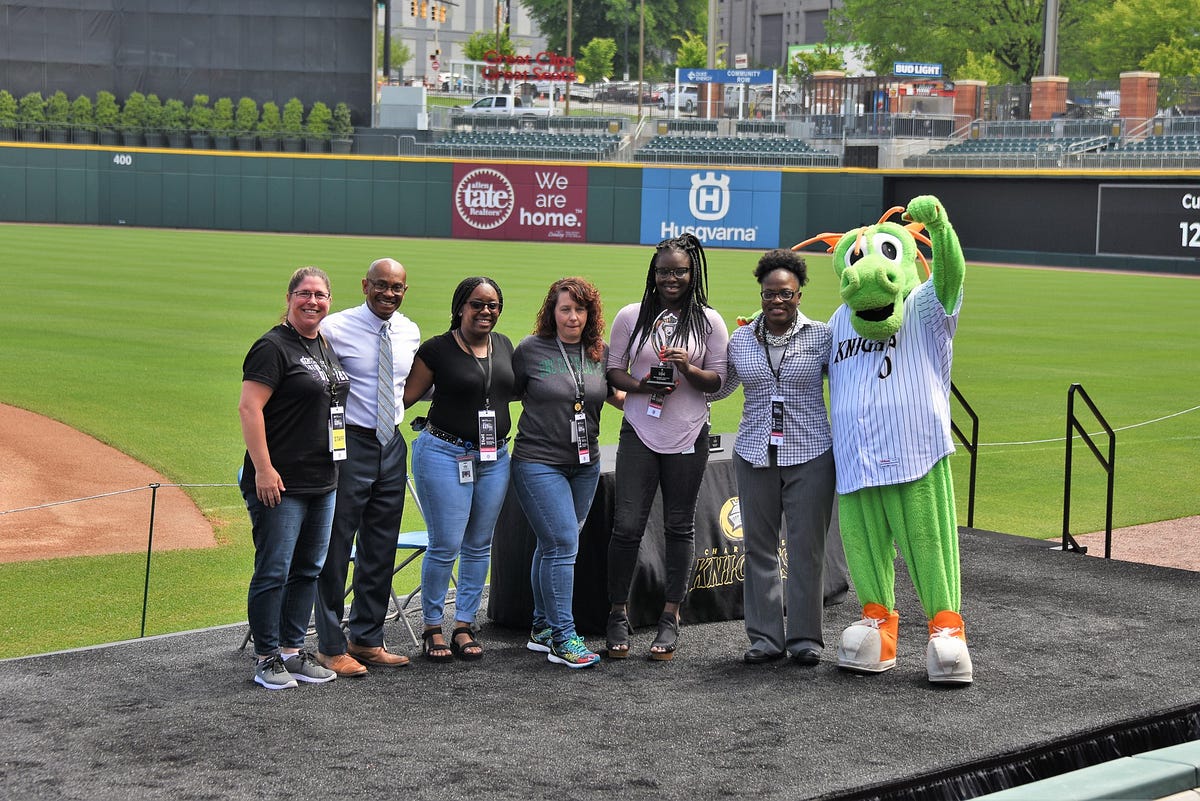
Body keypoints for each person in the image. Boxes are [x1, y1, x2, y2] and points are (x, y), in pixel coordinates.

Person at [604, 233, 729, 661]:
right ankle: (617, 612)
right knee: (626, 528)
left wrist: (686, 368)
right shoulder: (630, 316)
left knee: (679, 527)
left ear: (693, 274)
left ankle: (671, 615)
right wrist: (643, 386)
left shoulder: (709, 321)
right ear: (652, 274)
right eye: (663, 271)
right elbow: (614, 372)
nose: (670, 278)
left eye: (679, 271)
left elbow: (717, 381)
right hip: (639, 429)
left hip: (687, 434)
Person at [710, 250, 836, 666]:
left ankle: (804, 640)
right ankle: (765, 638)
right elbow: (719, 388)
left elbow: (849, 381)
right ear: (760, 294)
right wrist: (681, 371)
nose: (776, 302)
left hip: (811, 454)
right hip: (753, 453)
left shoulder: (822, 336)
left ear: (799, 294)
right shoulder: (742, 338)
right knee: (759, 549)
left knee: (807, 550)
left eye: (785, 294)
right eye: (769, 294)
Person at [238, 267, 349, 690]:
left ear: (329, 301)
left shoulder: (322, 344)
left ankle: (290, 649)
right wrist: (264, 469)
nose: (312, 301)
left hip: (323, 478)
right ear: (289, 298)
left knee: (308, 569)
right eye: (304, 294)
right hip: (280, 482)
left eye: (320, 295)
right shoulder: (272, 347)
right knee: (274, 570)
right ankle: (266, 656)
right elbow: (250, 409)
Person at [313, 258, 421, 677]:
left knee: (381, 545)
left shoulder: (409, 331)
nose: (388, 293)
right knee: (336, 546)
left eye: (396, 287)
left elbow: (406, 388)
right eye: (381, 285)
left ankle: (367, 638)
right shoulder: (335, 329)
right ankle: (329, 645)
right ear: (364, 285)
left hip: (391, 442)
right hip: (348, 443)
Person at [511, 277, 624, 669]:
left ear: (590, 314)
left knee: (553, 544)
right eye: (565, 309)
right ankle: (563, 636)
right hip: (537, 462)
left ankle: (542, 627)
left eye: (580, 309)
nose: (572, 316)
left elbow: (618, 397)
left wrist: (662, 385)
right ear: (552, 312)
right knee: (562, 544)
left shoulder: (599, 352)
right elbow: (502, 388)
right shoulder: (530, 349)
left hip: (585, 464)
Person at [403, 277, 515, 663]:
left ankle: (464, 623)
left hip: (494, 457)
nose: (486, 311)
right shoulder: (436, 349)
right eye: (477, 304)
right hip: (444, 454)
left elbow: (507, 389)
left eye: (493, 305)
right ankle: (432, 626)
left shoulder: (504, 345)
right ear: (460, 307)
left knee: (479, 543)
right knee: (446, 543)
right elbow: (405, 396)